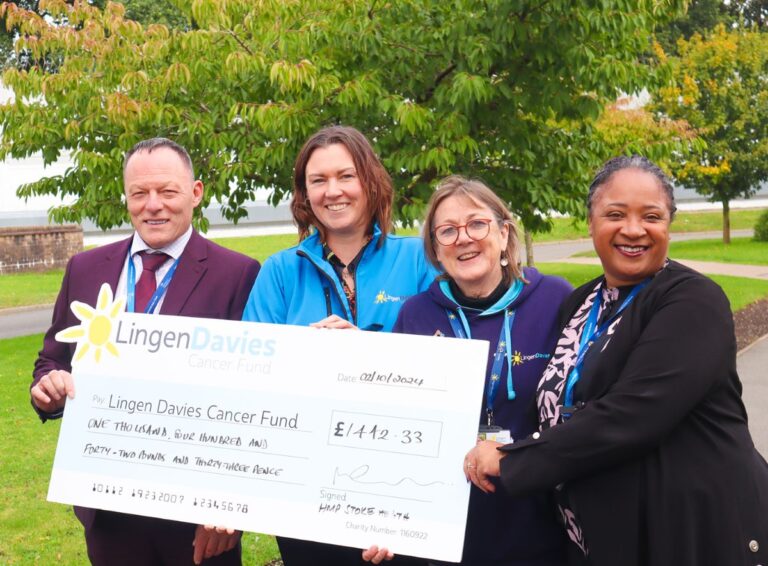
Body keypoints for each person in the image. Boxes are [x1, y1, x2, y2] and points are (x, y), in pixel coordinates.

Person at [465, 156, 768, 566]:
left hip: (689, 532)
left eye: (651, 216)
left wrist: (514, 458)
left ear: (669, 225)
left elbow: (633, 413)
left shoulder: (693, 301)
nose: (633, 229)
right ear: (590, 222)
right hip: (597, 533)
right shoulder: (580, 302)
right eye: (615, 214)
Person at [30, 137, 261, 566]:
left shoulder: (238, 274)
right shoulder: (85, 268)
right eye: (139, 193)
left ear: (195, 193)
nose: (153, 205)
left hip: (197, 516)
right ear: (127, 198)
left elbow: (252, 398)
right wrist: (47, 388)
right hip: (108, 506)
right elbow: (53, 359)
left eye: (167, 191)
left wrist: (228, 509)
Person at [242, 125, 436, 565]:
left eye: (346, 176)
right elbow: (251, 381)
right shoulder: (278, 272)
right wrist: (300, 358)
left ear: (370, 181)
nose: (334, 191)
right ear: (304, 194)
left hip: (404, 485)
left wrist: (365, 350)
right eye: (318, 180)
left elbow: (446, 366)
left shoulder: (420, 260)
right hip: (305, 493)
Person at [389, 176, 572, 566]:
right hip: (444, 528)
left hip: (536, 519)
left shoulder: (556, 299)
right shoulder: (415, 315)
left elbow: (582, 406)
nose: (463, 238)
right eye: (447, 231)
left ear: (504, 234)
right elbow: (397, 424)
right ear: (436, 250)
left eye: (476, 223)